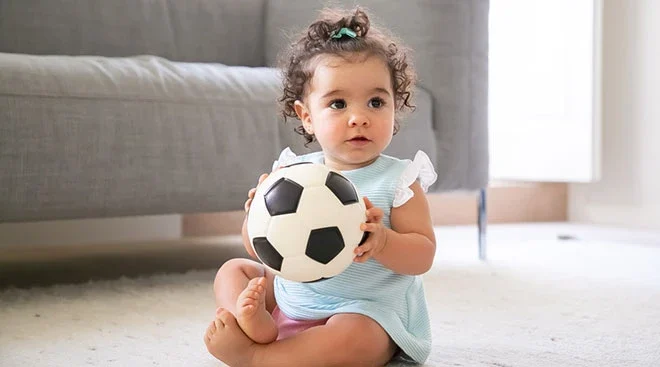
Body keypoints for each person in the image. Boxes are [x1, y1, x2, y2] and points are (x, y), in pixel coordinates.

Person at [204, 7, 437, 367]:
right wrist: (257, 217)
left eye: (376, 102)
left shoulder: (398, 181)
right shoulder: (291, 173)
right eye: (338, 103)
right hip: (290, 297)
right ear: (307, 117)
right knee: (233, 271)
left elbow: (422, 256)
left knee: (359, 340)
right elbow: (258, 249)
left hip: (361, 311)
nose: (358, 116)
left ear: (396, 107)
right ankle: (252, 321)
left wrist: (385, 242)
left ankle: (256, 356)